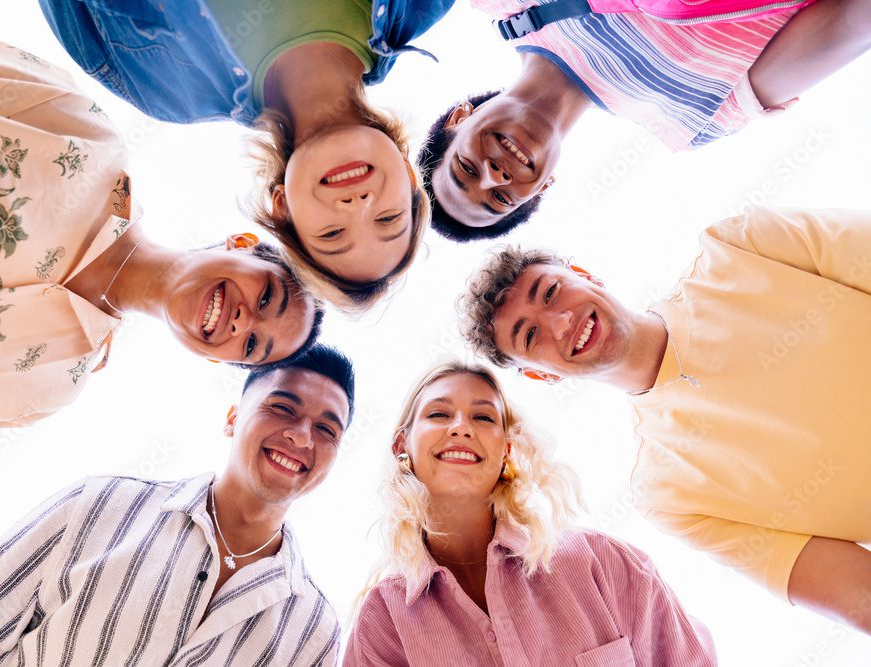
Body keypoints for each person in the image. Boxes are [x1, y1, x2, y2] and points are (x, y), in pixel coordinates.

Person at [0, 8, 322, 433]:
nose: (244, 322)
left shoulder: (48, 389)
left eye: (250, 346)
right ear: (240, 243)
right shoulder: (82, 137)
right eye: (266, 297)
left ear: (214, 360)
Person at [457, 207, 871, 633]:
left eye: (551, 292)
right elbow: (859, 596)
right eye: (530, 335)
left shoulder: (739, 247)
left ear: (585, 274)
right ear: (541, 374)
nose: (561, 322)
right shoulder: (670, 495)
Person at [0, 343, 355, 666]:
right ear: (233, 418)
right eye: (282, 408)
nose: (301, 436)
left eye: (327, 429)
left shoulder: (314, 631)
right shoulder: (98, 506)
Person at [38, 0, 457, 313]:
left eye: (332, 234)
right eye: (388, 218)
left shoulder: (163, 91)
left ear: (282, 207)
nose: (358, 206)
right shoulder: (419, 5)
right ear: (406, 172)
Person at [345, 361, 716, 665]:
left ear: (506, 450)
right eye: (439, 413)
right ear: (401, 447)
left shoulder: (601, 563)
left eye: (484, 418)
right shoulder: (383, 622)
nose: (461, 428)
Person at [418, 0, 871, 241]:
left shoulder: (505, 4)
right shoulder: (695, 116)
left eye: (465, 170)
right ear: (542, 190)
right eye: (500, 199)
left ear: (461, 117)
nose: (493, 174)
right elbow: (853, 20)